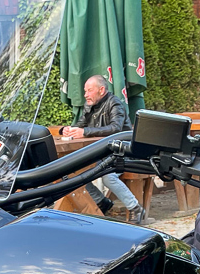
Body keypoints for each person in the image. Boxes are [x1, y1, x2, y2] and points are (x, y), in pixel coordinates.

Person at [61, 75, 143, 224]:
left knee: (108, 176)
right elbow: (80, 125)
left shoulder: (115, 103)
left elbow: (115, 128)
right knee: (74, 173)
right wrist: (67, 130)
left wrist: (85, 132)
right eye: (85, 91)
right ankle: (101, 202)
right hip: (101, 153)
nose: (85, 95)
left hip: (122, 152)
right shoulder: (89, 105)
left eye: (89, 90)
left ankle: (135, 208)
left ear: (101, 90)